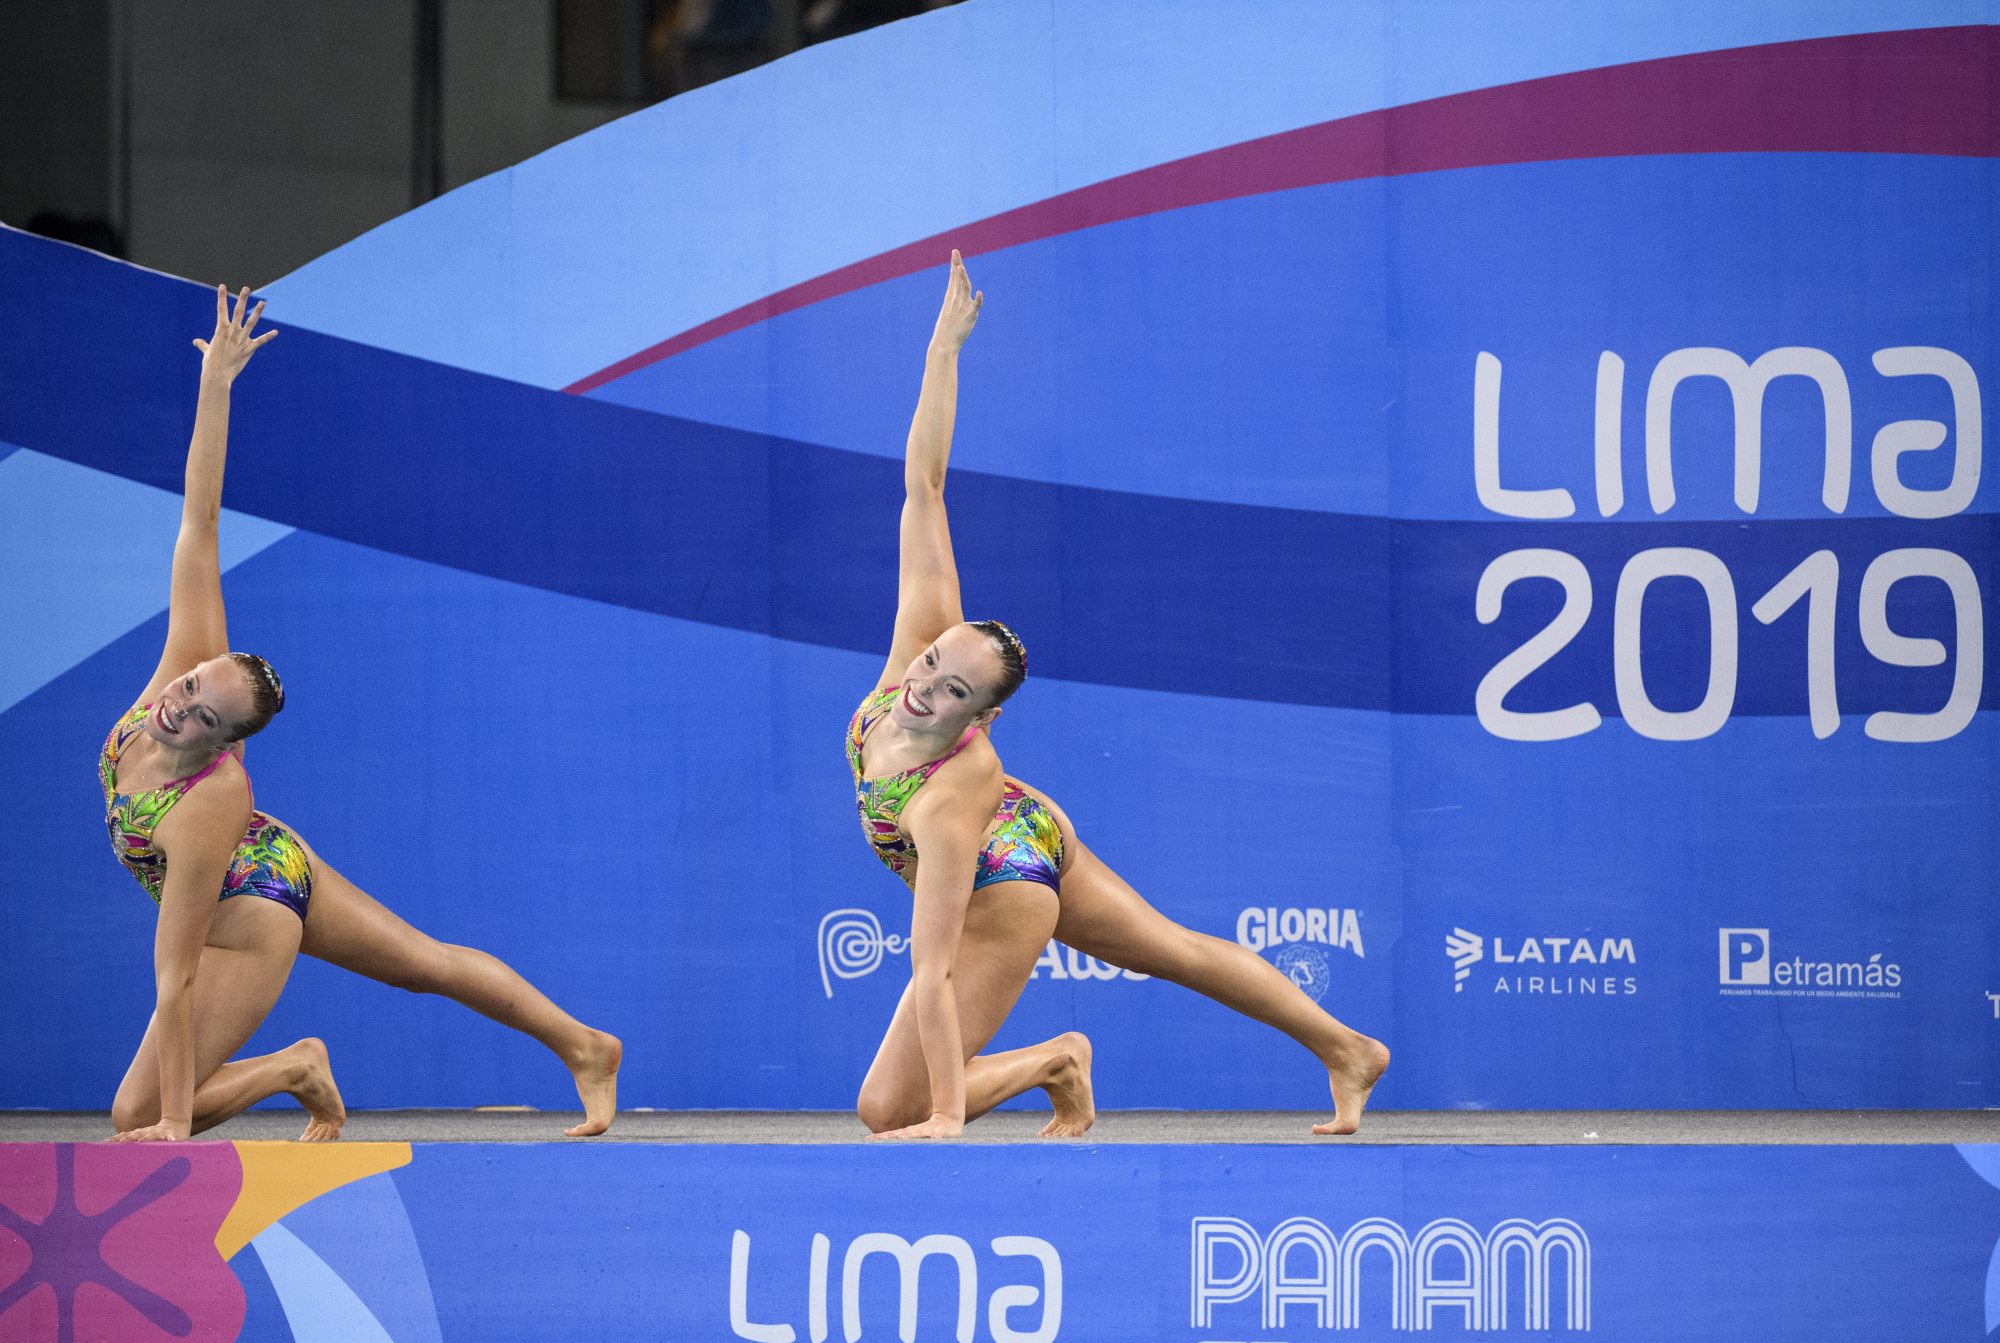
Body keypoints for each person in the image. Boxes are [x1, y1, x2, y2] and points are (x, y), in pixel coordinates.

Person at [849, 253, 1391, 1140]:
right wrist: (943, 350)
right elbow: (925, 484)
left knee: (888, 1109)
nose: (921, 688)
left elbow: (933, 968)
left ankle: (1057, 1061)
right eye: (931, 664)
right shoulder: (915, 652)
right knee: (1175, 948)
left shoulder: (947, 798)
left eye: (951, 691)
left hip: (1004, 878)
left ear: (982, 717)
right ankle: (1349, 1048)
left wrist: (946, 1114)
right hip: (1027, 821)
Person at [102, 286, 621, 1142]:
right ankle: (586, 1045)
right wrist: (216, 385)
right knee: (423, 961)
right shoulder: (179, 673)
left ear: (222, 747)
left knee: (139, 1113)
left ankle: (294, 1066)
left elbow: (177, 975)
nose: (176, 704)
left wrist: (174, 1124)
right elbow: (200, 518)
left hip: (252, 915)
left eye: (198, 715)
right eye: (190, 686)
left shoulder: (205, 804)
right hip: (273, 854)